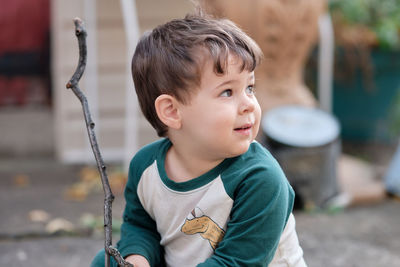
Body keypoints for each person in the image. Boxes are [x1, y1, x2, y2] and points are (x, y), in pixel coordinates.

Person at [91, 13, 306, 267]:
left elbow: (237, 262)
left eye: (250, 88)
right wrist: (137, 260)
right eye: (227, 92)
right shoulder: (146, 168)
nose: (249, 104)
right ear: (172, 111)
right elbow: (140, 227)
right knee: (107, 261)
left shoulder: (261, 178)